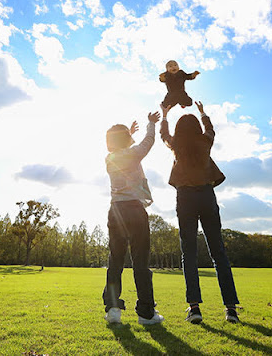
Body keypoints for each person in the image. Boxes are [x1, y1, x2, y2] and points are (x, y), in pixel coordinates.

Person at [160, 101, 240, 324]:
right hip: (206, 195)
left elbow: (164, 135)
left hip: (185, 197)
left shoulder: (176, 144)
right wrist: (203, 113)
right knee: (219, 252)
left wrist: (165, 115)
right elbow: (211, 130)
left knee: (189, 253)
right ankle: (231, 309)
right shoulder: (205, 141)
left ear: (179, 130)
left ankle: (194, 308)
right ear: (196, 128)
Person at [103, 111, 164, 325]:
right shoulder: (133, 154)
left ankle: (112, 309)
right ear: (126, 141)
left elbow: (123, 148)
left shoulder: (110, 158)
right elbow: (148, 142)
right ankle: (146, 314)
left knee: (115, 261)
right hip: (135, 210)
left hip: (116, 211)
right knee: (140, 262)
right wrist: (150, 123)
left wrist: (127, 134)